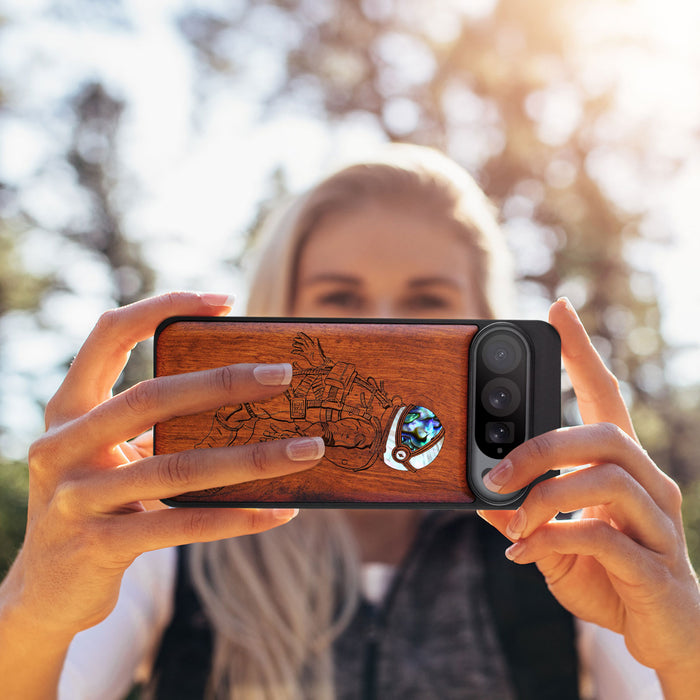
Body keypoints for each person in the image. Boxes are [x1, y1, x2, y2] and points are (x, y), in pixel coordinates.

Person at [0, 145, 698, 700]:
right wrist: (34, 607)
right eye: (340, 298)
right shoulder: (172, 533)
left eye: (428, 301)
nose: (386, 325)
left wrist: (685, 648)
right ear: (281, 315)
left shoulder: (566, 542)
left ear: (487, 322)